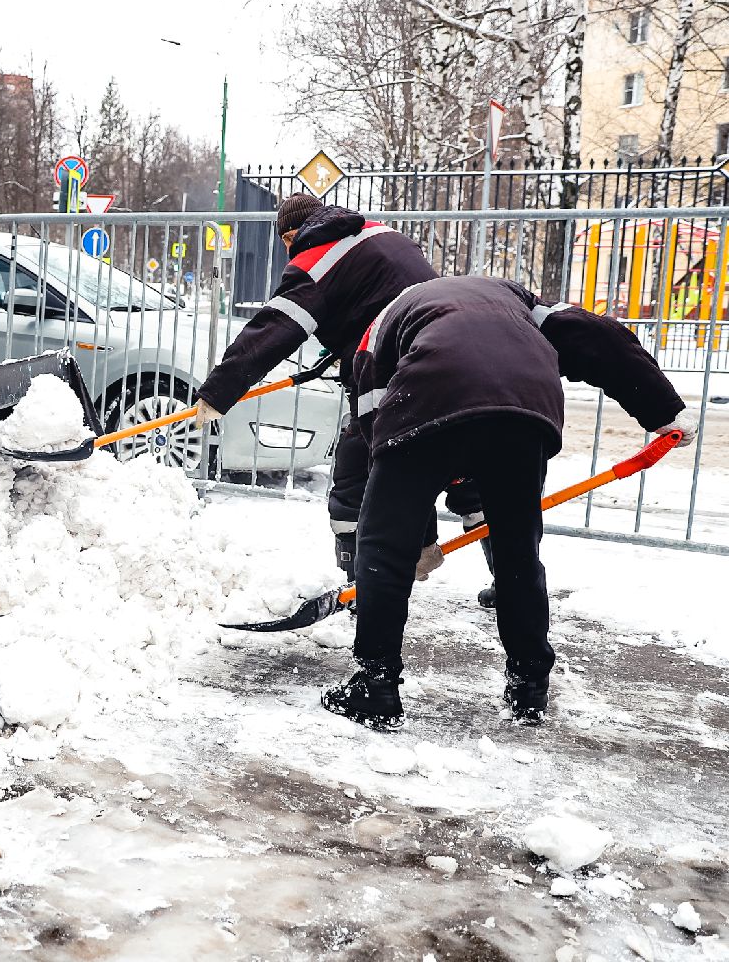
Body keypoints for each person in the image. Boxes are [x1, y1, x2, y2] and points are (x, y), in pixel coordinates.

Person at [327, 276, 697, 730]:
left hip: (433, 390)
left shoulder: (378, 328)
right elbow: (599, 336)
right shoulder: (515, 300)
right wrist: (664, 412)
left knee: (382, 548)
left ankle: (374, 686)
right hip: (526, 409)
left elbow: (376, 430)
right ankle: (529, 687)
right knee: (517, 553)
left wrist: (413, 536)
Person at [195, 194, 476, 586]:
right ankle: (509, 576)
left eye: (285, 244)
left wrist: (217, 392)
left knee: (358, 474)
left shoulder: (315, 261)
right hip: (461, 359)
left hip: (396, 372)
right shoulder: (382, 235)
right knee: (466, 474)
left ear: (293, 235)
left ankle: (363, 585)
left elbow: (273, 328)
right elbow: (381, 299)